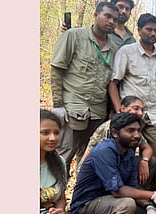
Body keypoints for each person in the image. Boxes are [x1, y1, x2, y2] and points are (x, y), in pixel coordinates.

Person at [70, 112, 156, 214]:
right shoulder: (105, 151)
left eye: (138, 131)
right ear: (115, 133)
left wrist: (149, 206)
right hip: (86, 206)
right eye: (130, 131)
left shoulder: (128, 152)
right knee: (127, 205)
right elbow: (118, 191)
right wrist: (152, 195)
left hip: (109, 201)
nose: (137, 135)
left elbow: (132, 188)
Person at [108, 13, 156, 166]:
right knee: (124, 153)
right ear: (139, 30)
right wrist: (119, 112)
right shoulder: (127, 52)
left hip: (153, 114)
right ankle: (125, 187)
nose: (152, 33)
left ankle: (153, 187)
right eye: (148, 29)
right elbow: (113, 83)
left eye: (155, 30)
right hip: (130, 113)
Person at [51, 2, 119, 177]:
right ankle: (50, 198)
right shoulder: (74, 36)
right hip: (72, 109)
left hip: (97, 111)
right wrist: (58, 105)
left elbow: (112, 82)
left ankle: (80, 199)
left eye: (114, 19)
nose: (111, 21)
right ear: (96, 15)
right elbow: (57, 69)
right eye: (107, 16)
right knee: (62, 156)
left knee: (88, 158)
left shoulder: (114, 48)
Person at [40, 109, 96, 214]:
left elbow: (60, 197)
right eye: (45, 132)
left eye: (56, 132)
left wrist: (60, 211)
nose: (53, 138)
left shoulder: (58, 162)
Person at [79, 96, 156, 191]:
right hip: (106, 167)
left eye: (142, 110)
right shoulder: (107, 128)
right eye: (136, 108)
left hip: (124, 164)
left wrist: (144, 161)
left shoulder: (134, 128)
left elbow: (147, 148)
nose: (140, 113)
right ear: (123, 108)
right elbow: (89, 153)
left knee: (151, 160)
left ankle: (139, 191)